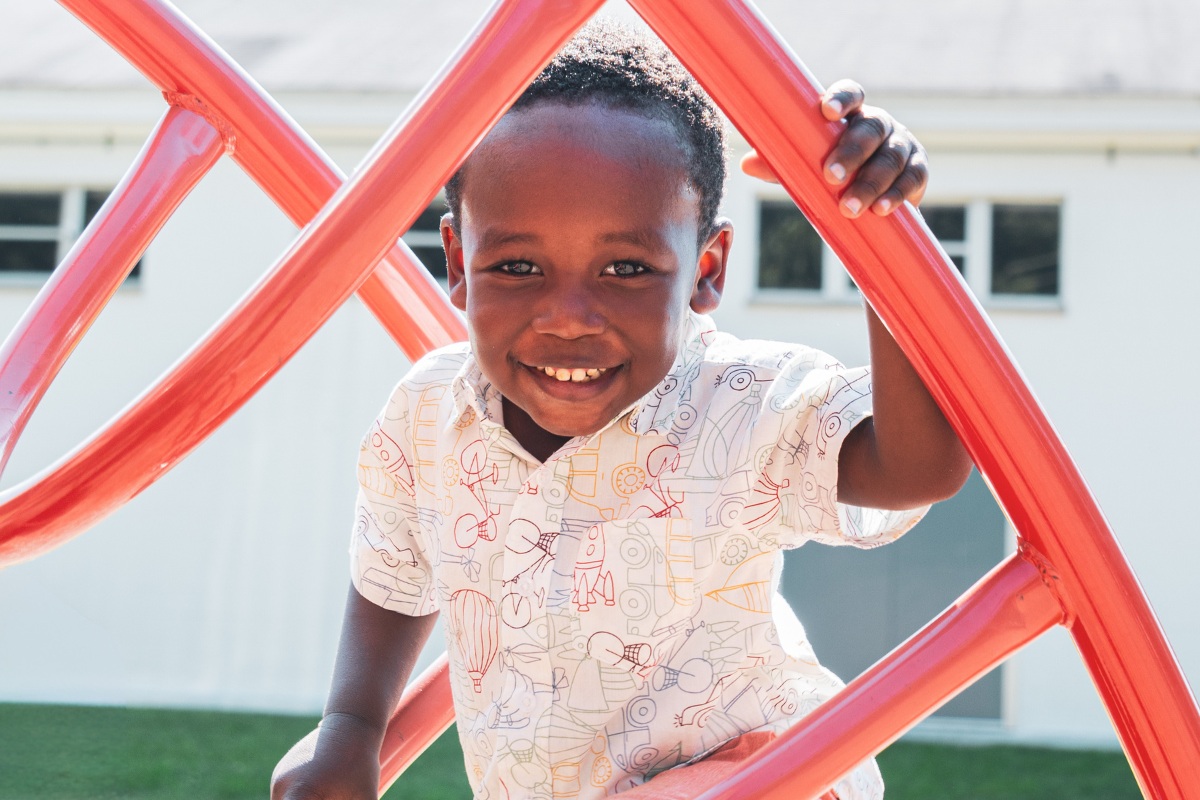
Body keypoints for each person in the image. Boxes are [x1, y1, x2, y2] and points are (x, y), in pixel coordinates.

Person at [272, 19, 970, 800]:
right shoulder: (429, 416)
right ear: (459, 265)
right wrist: (352, 731)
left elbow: (918, 467)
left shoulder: (737, 403)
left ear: (706, 272)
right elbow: (393, 576)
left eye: (627, 268)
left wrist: (879, 232)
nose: (568, 315)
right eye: (519, 266)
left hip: (759, 775)